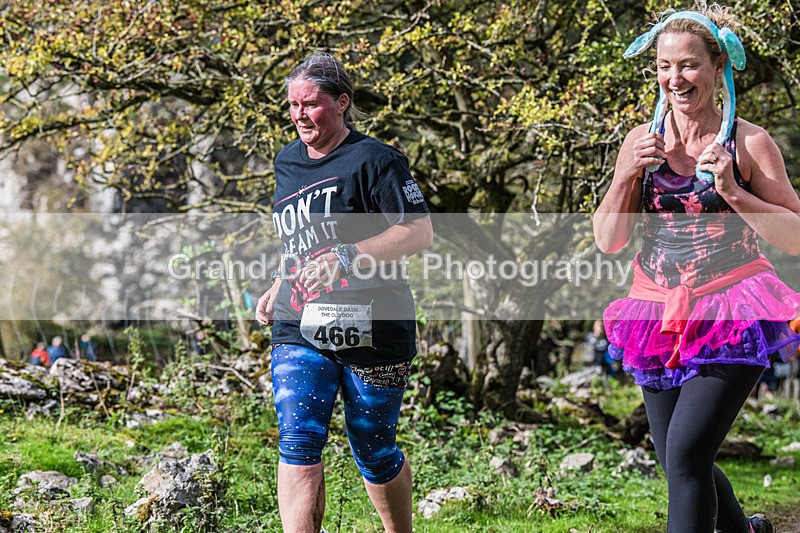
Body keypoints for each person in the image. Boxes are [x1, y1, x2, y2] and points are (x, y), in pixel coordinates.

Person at [593, 6, 800, 533]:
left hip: (734, 307)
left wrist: (734, 192)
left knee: (686, 455)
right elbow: (609, 240)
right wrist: (625, 175)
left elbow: (796, 237)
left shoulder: (748, 143)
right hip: (656, 311)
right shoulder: (642, 141)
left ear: (717, 67)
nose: (675, 78)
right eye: (664, 66)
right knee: (677, 459)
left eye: (688, 65)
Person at [255, 54, 432, 533]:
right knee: (298, 439)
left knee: (373, 448)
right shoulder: (287, 161)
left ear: (341, 102)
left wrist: (348, 257)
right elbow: (299, 240)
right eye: (293, 104)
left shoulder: (377, 160)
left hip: (375, 322)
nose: (299, 114)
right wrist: (281, 280)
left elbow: (419, 232)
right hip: (299, 320)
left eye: (310, 104)